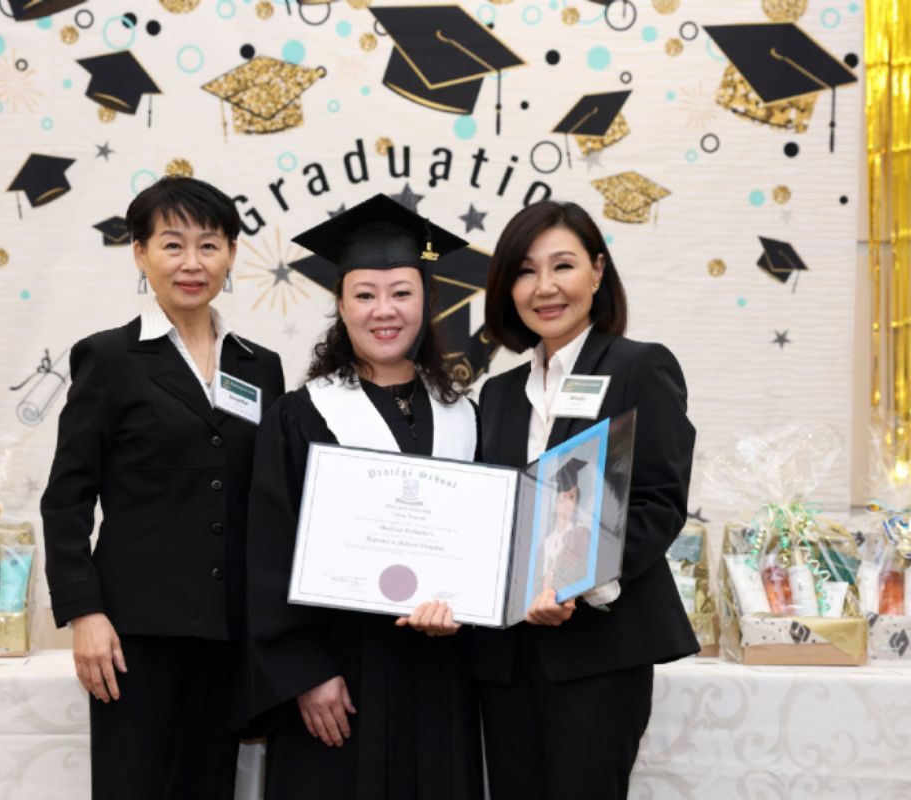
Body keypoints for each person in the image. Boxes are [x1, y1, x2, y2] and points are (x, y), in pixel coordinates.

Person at [40, 176, 285, 799]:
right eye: (172, 245)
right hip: (135, 633)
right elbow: (67, 498)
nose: (192, 263)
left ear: (232, 255)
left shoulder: (260, 366)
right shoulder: (108, 358)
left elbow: (270, 496)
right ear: (140, 254)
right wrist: (85, 613)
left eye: (209, 245)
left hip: (230, 630)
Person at [244, 194, 483, 800]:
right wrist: (306, 672)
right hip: (339, 675)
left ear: (426, 301)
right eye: (365, 294)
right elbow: (268, 552)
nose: (385, 311)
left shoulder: (465, 416)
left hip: (440, 670)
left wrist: (465, 608)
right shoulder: (301, 416)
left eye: (401, 292)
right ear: (342, 304)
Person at [474, 200, 698, 799]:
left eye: (563, 265)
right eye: (525, 271)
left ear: (598, 271)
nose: (544, 287)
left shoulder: (639, 367)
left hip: (599, 649)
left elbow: (659, 501)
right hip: (506, 657)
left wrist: (576, 582)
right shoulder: (498, 394)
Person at [532, 458, 591, 599]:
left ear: (576, 503)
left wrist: (554, 581)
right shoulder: (547, 541)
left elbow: (580, 570)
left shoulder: (581, 533)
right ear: (556, 503)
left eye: (572, 497)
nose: (566, 502)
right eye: (563, 497)